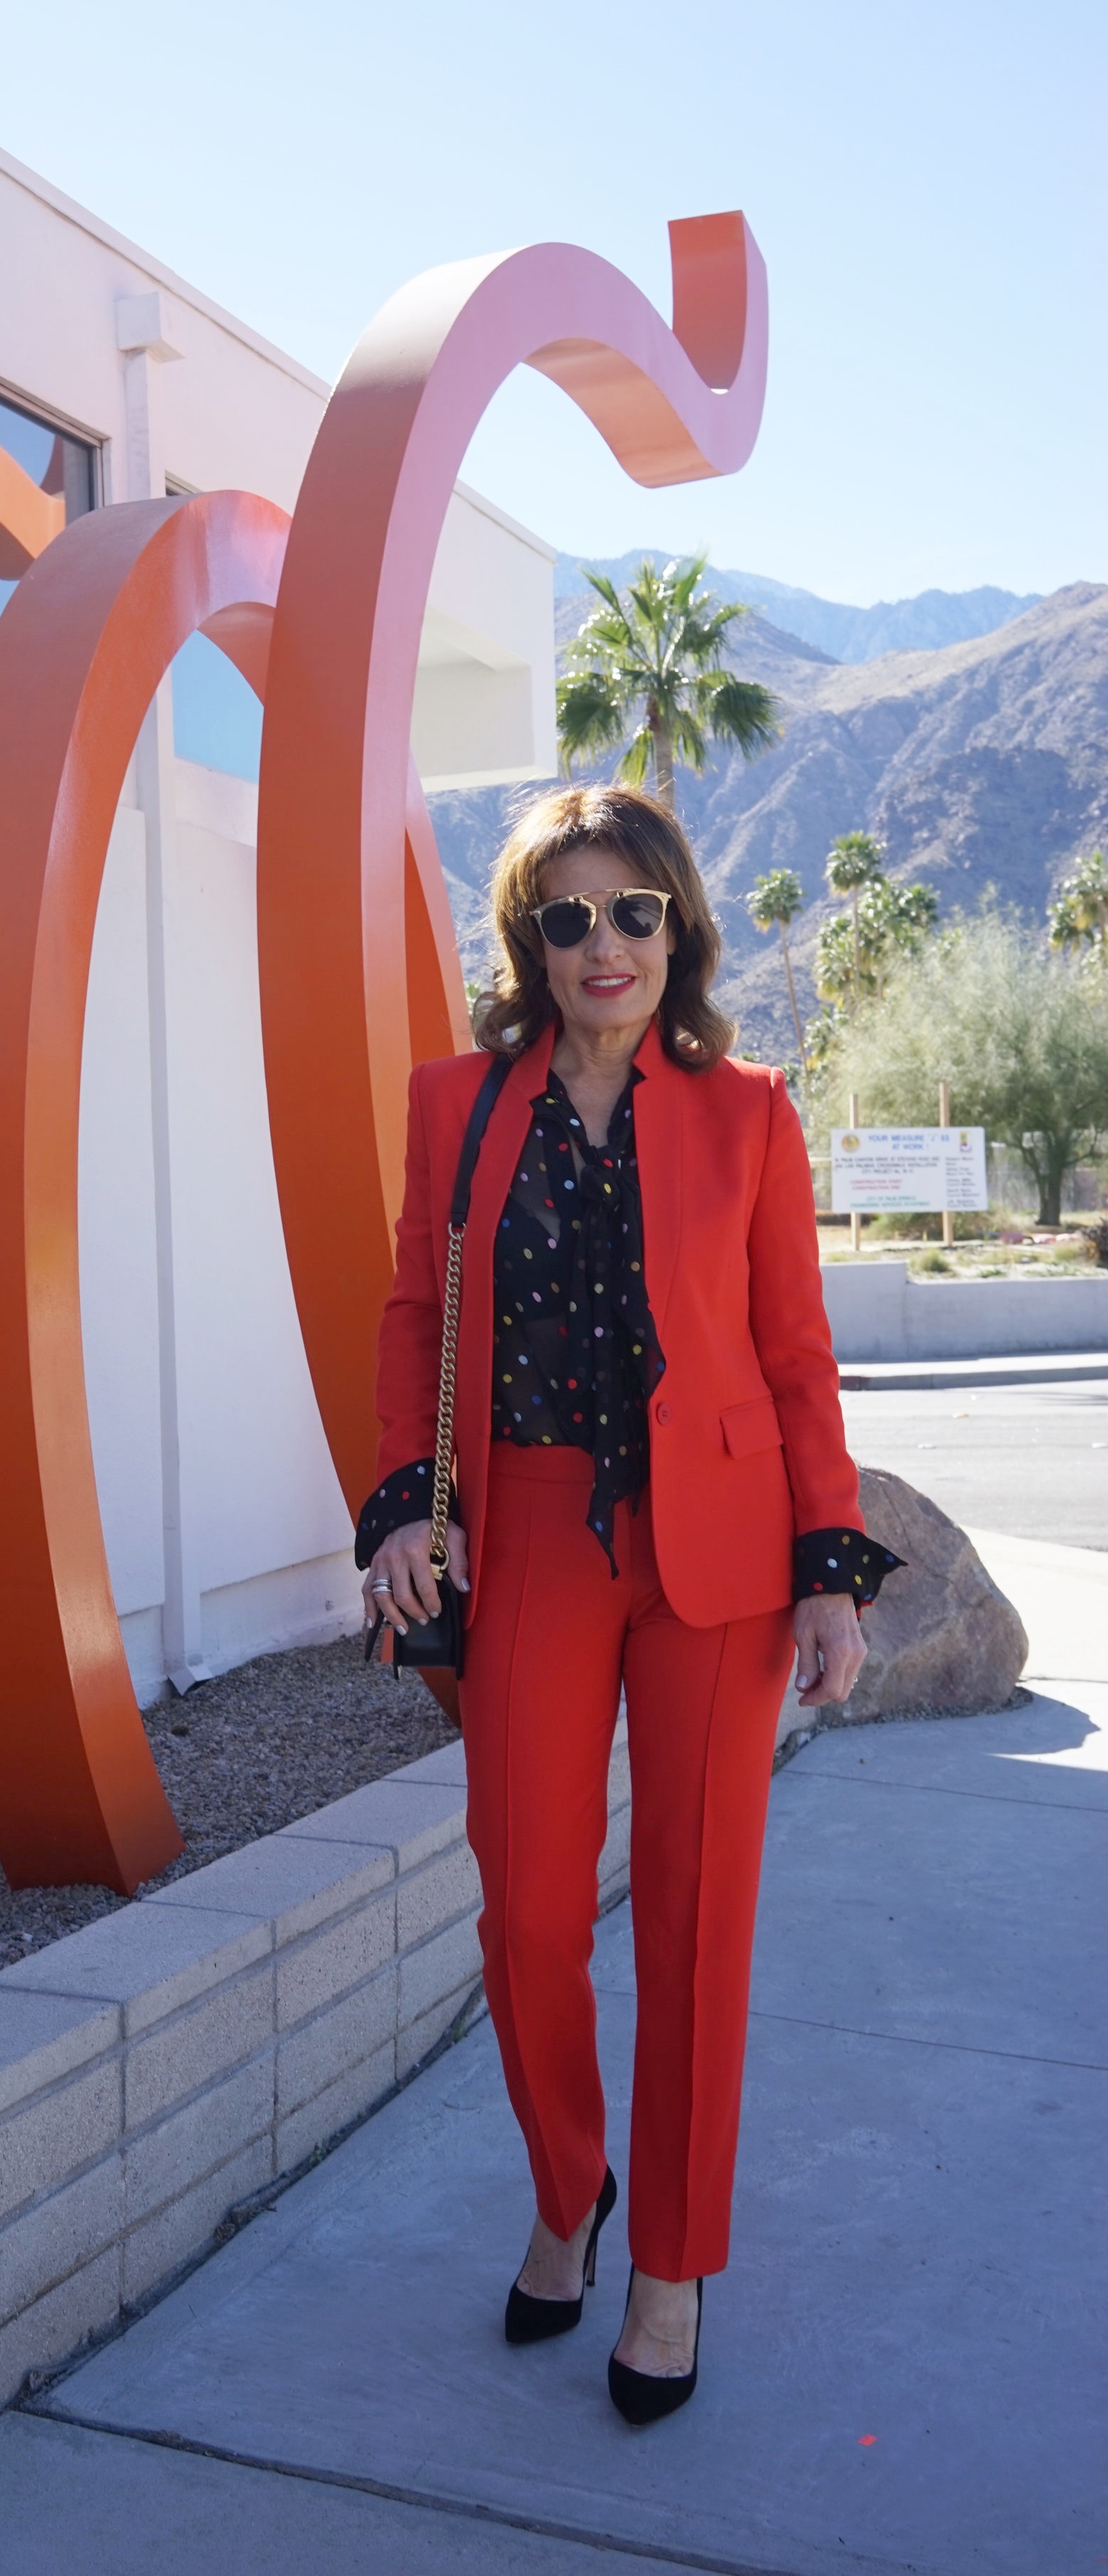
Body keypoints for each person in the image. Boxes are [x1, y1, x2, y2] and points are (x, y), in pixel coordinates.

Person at [358, 784, 899, 2425]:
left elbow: (795, 1353)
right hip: (527, 1526)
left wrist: (828, 1565)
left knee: (690, 1915)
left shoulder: (746, 1110)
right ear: (528, 941)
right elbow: (408, 1314)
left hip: (721, 1550)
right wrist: (402, 1507)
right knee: (523, 1910)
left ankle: (665, 2266)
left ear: (677, 924)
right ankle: (567, 2181)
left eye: (635, 912)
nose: (606, 946)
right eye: (569, 917)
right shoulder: (455, 1101)